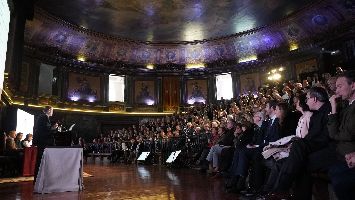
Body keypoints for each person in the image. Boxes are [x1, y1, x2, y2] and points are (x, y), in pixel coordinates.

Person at [33, 106, 58, 183]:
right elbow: (45, 131)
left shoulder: (43, 117)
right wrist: (53, 128)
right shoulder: (44, 117)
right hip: (43, 143)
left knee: (41, 160)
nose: (53, 112)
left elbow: (45, 129)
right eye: (52, 110)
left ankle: (39, 179)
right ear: (49, 110)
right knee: (41, 160)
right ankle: (38, 180)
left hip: (42, 142)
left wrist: (52, 128)